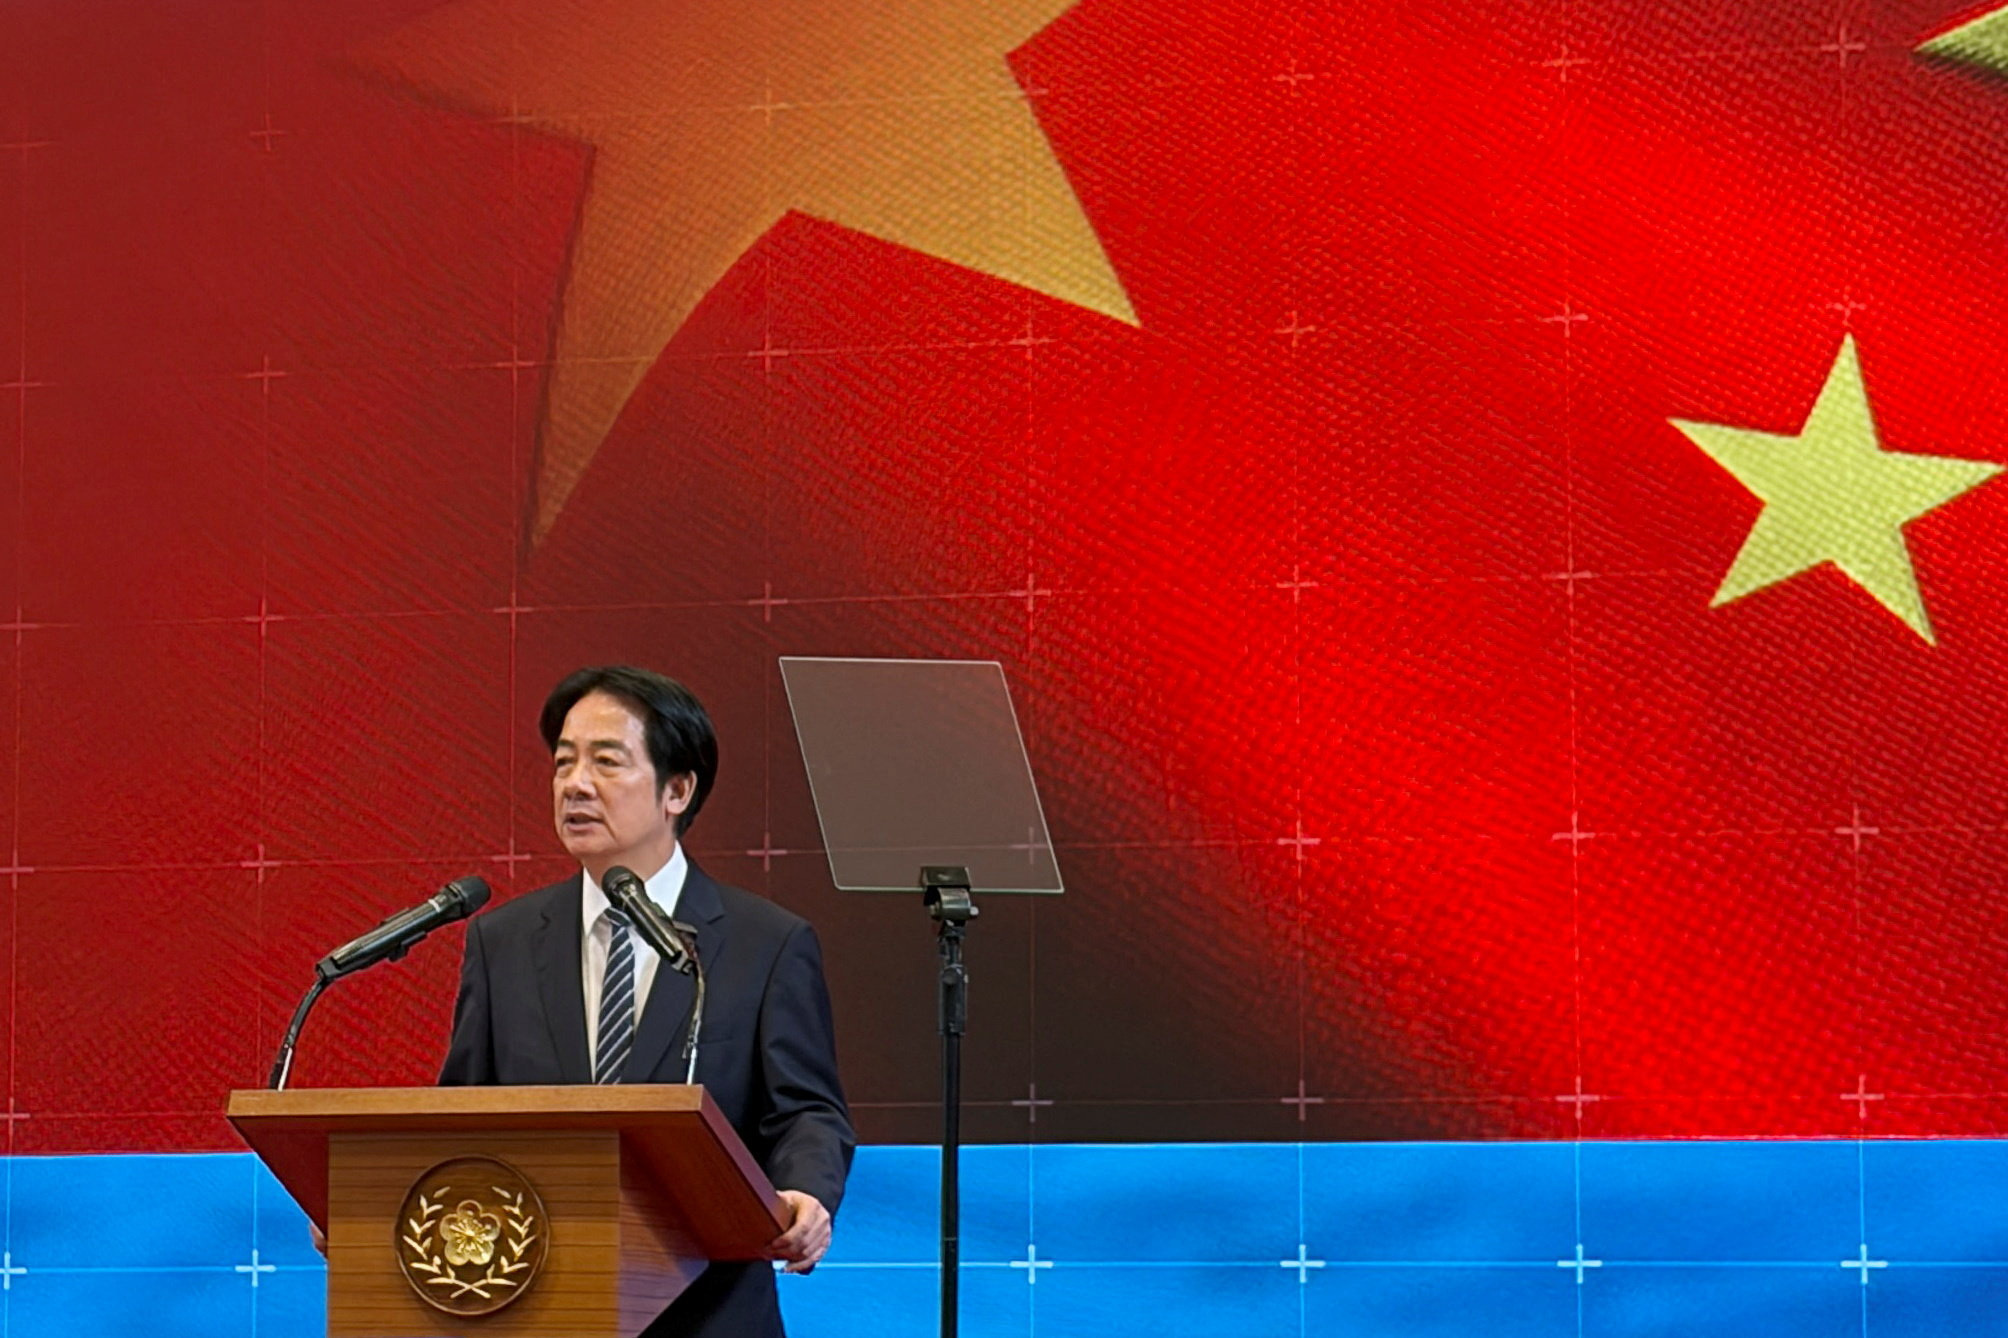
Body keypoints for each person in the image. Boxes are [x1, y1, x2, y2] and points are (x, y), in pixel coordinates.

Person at [440, 665, 854, 1337]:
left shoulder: (765, 944)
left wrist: (805, 1193)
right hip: (536, 1304)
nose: (574, 784)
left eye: (606, 762)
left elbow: (805, 1109)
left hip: (710, 1311)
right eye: (563, 763)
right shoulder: (503, 940)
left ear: (677, 790)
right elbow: (463, 1112)